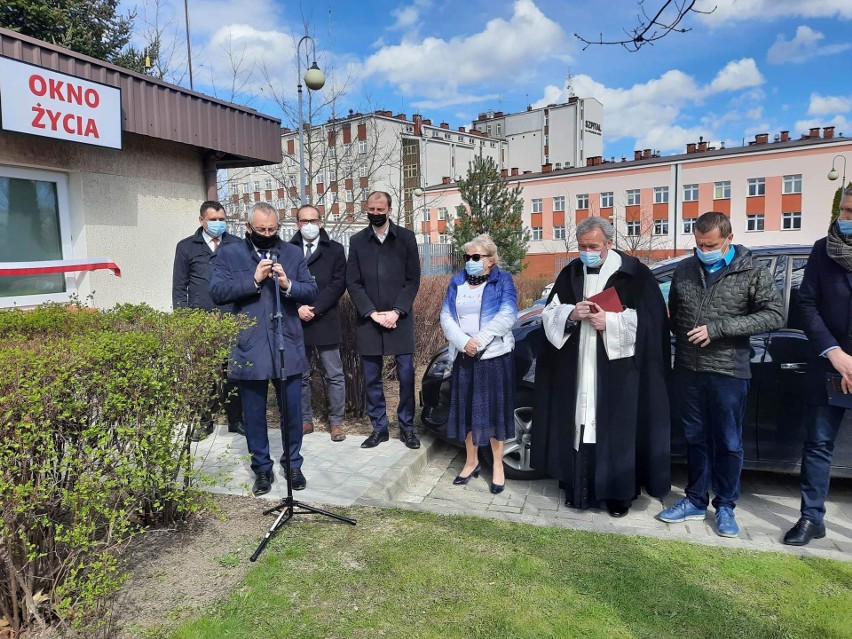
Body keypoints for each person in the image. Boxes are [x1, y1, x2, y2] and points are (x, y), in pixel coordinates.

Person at [532, 217, 671, 517]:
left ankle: (618, 496)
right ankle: (578, 491)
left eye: (593, 246)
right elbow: (550, 312)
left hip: (617, 373)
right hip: (578, 366)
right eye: (582, 246)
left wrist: (609, 321)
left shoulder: (634, 274)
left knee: (616, 432)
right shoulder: (571, 272)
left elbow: (653, 323)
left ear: (609, 243)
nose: (586, 252)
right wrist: (571, 314)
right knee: (578, 426)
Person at [657, 211, 784, 537]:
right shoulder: (685, 268)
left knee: (728, 442)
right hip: (688, 369)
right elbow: (674, 314)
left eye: (710, 244)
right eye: (699, 244)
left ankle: (726, 506)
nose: (704, 249)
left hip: (728, 370)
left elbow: (774, 315)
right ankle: (696, 499)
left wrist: (719, 329)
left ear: (728, 238)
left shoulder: (752, 270)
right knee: (694, 439)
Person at [209, 202, 317, 496]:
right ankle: (262, 470)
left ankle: (293, 464)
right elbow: (217, 292)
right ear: (248, 228)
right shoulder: (229, 253)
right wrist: (253, 280)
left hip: (287, 344)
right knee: (254, 414)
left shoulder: (292, 253)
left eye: (272, 229)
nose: (267, 234)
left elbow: (310, 290)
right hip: (250, 345)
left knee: (292, 412)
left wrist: (287, 284)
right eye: (261, 230)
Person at [783, 187, 852, 546]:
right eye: (844, 209)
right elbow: (806, 304)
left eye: (851, 211)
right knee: (819, 444)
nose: (845, 218)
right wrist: (834, 351)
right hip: (830, 362)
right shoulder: (824, 249)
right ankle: (812, 518)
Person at [440, 234, 517, 493]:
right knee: (468, 413)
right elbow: (446, 316)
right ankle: (471, 461)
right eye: (467, 257)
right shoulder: (456, 282)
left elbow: (508, 314)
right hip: (465, 357)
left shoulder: (502, 280)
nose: (470, 262)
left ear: (491, 260)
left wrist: (479, 340)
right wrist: (464, 342)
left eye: (476, 257)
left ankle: (497, 465)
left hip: (493, 357)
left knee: (494, 413)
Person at [346, 191, 421, 449]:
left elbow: (413, 280)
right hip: (370, 320)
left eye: (380, 210)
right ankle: (379, 428)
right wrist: (372, 312)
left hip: (399, 319)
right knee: (371, 378)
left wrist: (397, 311)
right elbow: (353, 282)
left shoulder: (406, 239)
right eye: (371, 209)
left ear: (389, 210)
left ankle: (407, 428)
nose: (375, 214)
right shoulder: (357, 241)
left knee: (406, 375)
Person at [172, 200, 244, 441]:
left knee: (233, 372)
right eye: (213, 219)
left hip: (232, 318)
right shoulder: (186, 247)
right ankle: (205, 420)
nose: (218, 223)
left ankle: (236, 419)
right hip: (202, 321)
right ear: (201, 220)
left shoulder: (236, 244)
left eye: (222, 219)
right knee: (206, 374)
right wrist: (184, 320)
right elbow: (179, 287)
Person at [289, 204, 347, 442]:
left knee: (334, 373)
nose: (309, 225)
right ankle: (305, 419)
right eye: (304, 221)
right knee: (301, 374)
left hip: (325, 318)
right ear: (297, 223)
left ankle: (336, 422)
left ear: (321, 222)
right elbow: (280, 282)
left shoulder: (334, 249)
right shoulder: (288, 250)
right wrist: (297, 307)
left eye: (313, 220)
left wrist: (316, 308)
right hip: (297, 319)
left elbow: (338, 283)